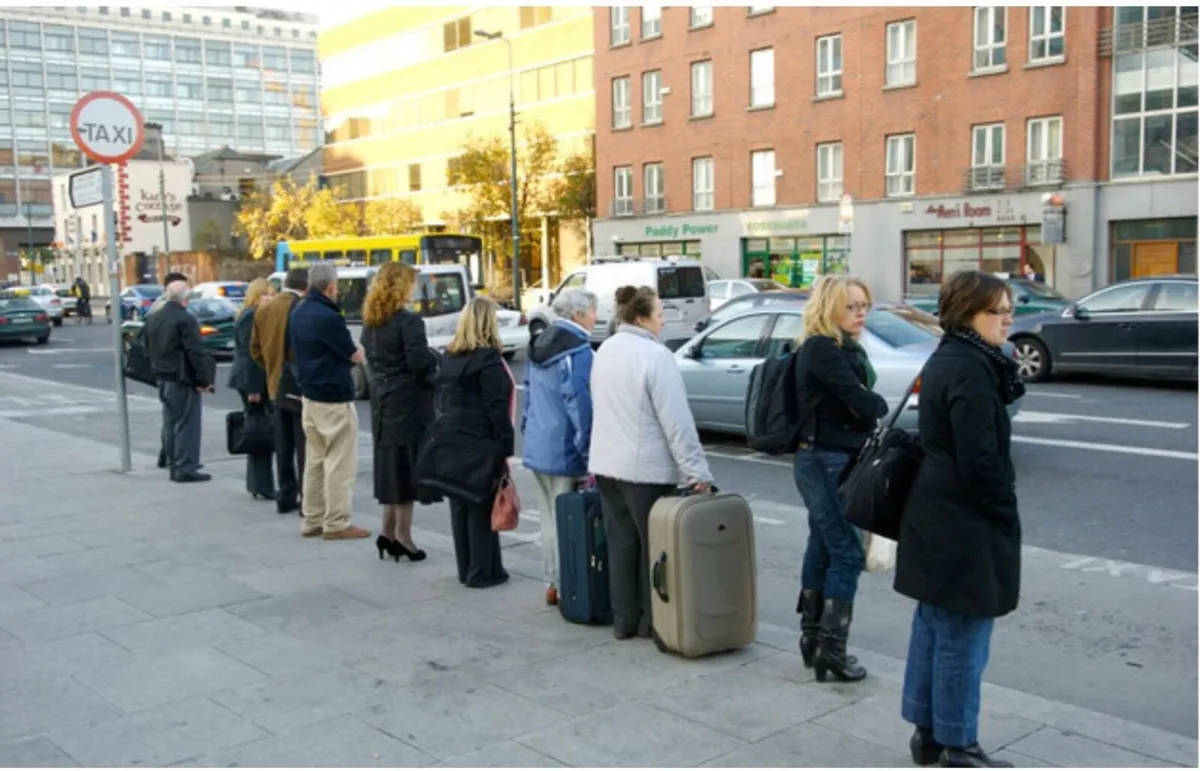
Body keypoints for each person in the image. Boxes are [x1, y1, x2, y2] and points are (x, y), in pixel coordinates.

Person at [895, 271, 1024, 769]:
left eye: (1010, 308)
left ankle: (928, 734)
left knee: (934, 623)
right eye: (997, 310)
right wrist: (1003, 512)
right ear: (968, 312)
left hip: (936, 509)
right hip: (961, 518)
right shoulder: (970, 367)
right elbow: (980, 461)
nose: (1008, 317)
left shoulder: (953, 356)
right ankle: (958, 744)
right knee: (963, 632)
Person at [589, 285, 713, 640]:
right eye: (660, 313)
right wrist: (697, 473)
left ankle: (624, 620)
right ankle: (654, 622)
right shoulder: (656, 357)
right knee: (654, 550)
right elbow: (677, 422)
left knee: (621, 544)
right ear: (642, 318)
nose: (664, 319)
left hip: (607, 464)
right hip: (646, 470)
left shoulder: (605, 350)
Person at [790, 275, 889, 683]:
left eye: (864, 305)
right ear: (829, 308)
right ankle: (832, 648)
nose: (861, 312)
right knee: (847, 553)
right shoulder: (823, 350)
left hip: (825, 459)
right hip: (826, 461)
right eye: (851, 306)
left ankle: (813, 639)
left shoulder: (835, 348)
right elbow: (864, 404)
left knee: (823, 545)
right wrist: (876, 403)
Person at [522, 288, 597, 606]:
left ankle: (552, 582)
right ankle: (570, 587)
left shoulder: (539, 344)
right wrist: (588, 449)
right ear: (579, 314)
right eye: (594, 311)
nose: (596, 317)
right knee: (569, 521)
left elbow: (529, 395)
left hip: (539, 444)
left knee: (548, 518)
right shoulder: (577, 350)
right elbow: (579, 402)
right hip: (565, 447)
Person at [434, 296, 514, 588]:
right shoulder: (489, 361)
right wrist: (506, 447)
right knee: (481, 508)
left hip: (452, 440)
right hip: (480, 442)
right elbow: (496, 409)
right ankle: (483, 571)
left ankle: (466, 567)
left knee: (460, 506)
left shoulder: (449, 356)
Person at [361, 262, 437, 563]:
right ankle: (404, 537)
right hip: (407, 402)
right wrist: (435, 363)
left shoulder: (371, 322)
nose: (414, 288)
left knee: (391, 468)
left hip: (382, 401)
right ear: (400, 286)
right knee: (405, 472)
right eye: (411, 282)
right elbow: (419, 362)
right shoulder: (408, 322)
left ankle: (388, 533)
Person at [289, 263, 370, 541]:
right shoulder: (329, 317)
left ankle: (312, 518)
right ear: (331, 286)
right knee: (339, 463)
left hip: (309, 395)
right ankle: (336, 521)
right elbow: (354, 356)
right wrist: (359, 348)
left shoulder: (299, 312)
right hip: (334, 396)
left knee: (314, 460)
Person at [144, 279, 213, 483]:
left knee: (171, 422)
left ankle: (174, 463)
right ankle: (185, 467)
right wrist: (203, 380)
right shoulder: (186, 320)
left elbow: (146, 346)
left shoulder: (154, 317)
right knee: (187, 424)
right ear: (186, 298)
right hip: (182, 378)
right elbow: (195, 353)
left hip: (162, 376)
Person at [251, 268, 308, 515]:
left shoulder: (264, 309)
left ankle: (285, 495)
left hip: (275, 384)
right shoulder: (300, 308)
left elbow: (254, 349)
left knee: (283, 444)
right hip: (298, 386)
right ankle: (308, 498)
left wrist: (271, 367)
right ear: (306, 286)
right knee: (304, 446)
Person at [228, 277, 277, 501]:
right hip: (252, 381)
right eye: (266, 294)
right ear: (256, 297)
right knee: (260, 430)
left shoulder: (250, 315)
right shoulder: (252, 317)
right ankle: (262, 485)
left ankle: (257, 484)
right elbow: (251, 356)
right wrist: (254, 388)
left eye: (272, 294)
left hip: (250, 379)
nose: (270, 298)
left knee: (258, 429)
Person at [147, 272, 190, 471]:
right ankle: (175, 459)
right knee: (178, 420)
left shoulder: (156, 311)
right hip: (176, 374)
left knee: (169, 418)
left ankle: (168, 455)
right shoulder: (174, 313)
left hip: (161, 372)